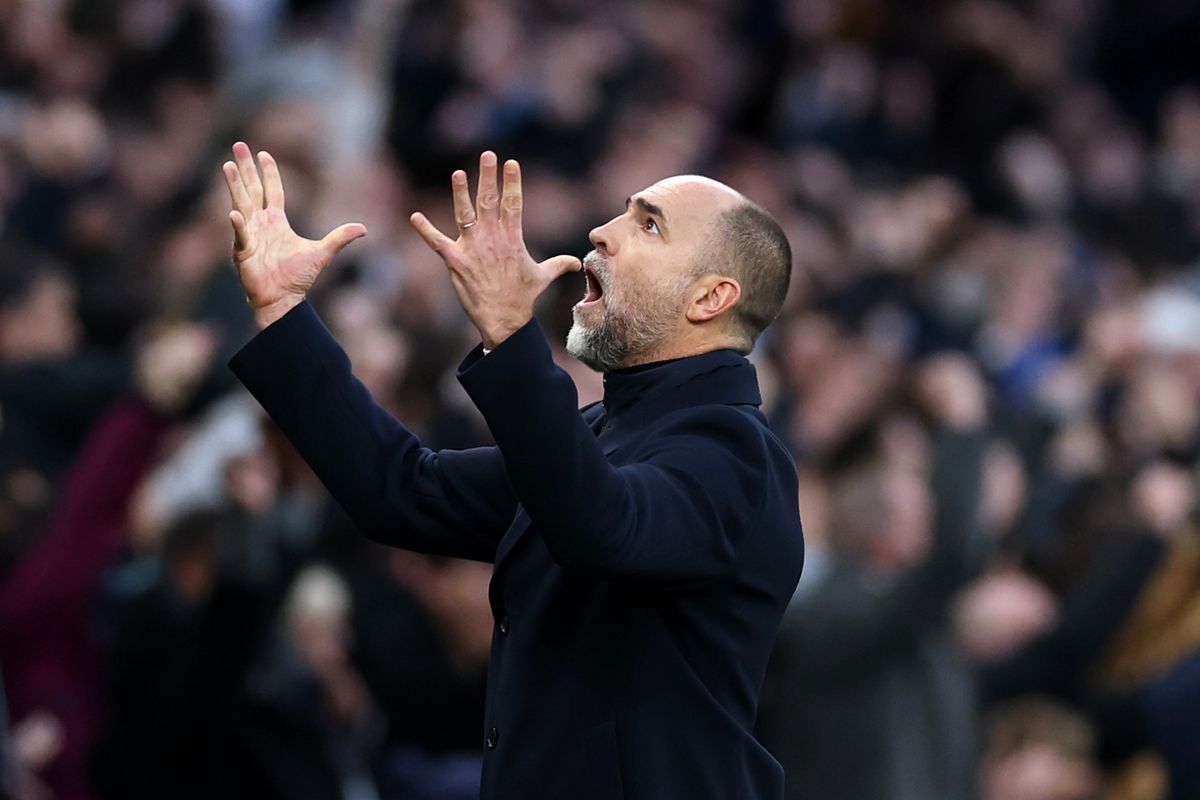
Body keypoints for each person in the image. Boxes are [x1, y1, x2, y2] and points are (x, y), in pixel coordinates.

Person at [221, 142, 804, 800]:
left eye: (648, 225)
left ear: (710, 297)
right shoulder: (601, 433)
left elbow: (601, 526)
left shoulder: (737, 456)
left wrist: (509, 332)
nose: (601, 234)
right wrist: (283, 313)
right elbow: (402, 491)